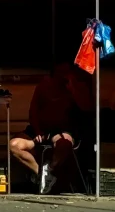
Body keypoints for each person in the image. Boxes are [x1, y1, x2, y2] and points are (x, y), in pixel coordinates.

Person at [9, 63, 92, 194]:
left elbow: (86, 108)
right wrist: (37, 131)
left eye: (65, 72)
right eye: (60, 72)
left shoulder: (75, 86)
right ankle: (42, 175)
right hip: (41, 130)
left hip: (63, 131)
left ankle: (51, 169)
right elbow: (33, 111)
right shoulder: (44, 86)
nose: (62, 75)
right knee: (14, 145)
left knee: (64, 143)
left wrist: (73, 88)